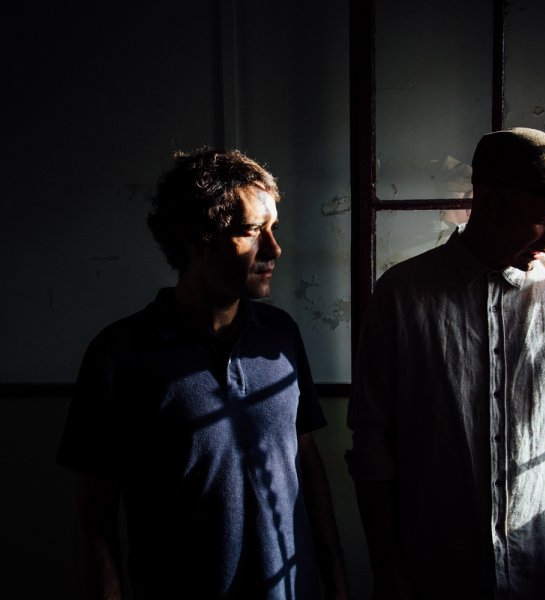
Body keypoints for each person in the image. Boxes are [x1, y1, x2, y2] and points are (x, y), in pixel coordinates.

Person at [58, 148, 348, 600]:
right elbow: (95, 522)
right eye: (252, 231)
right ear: (196, 239)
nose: (274, 249)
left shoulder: (280, 335)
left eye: (273, 228)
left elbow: (307, 466)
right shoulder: (119, 354)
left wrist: (337, 584)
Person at [346, 127, 545, 600]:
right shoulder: (402, 296)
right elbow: (372, 444)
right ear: (487, 202)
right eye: (544, 218)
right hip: (434, 578)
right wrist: (388, 571)